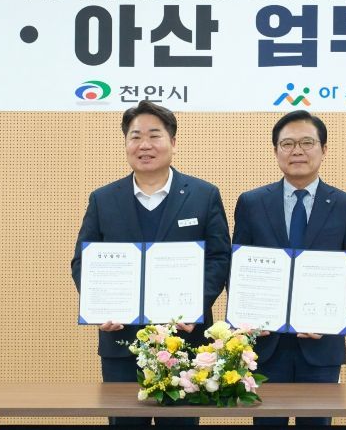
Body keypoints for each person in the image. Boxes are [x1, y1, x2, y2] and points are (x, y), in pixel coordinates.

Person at [71, 100, 230, 426]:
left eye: (154, 135)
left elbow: (219, 257)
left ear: (173, 141)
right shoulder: (103, 199)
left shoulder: (203, 195)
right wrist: (100, 308)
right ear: (126, 143)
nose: (144, 145)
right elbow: (83, 261)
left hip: (185, 340)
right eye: (135, 136)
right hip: (122, 342)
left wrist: (196, 306)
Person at [233, 110, 346, 427]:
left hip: (321, 347)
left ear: (324, 149)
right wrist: (249, 319)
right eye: (288, 144)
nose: (297, 151)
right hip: (265, 345)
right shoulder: (252, 203)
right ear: (276, 151)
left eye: (307, 142)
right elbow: (238, 270)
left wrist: (330, 317)